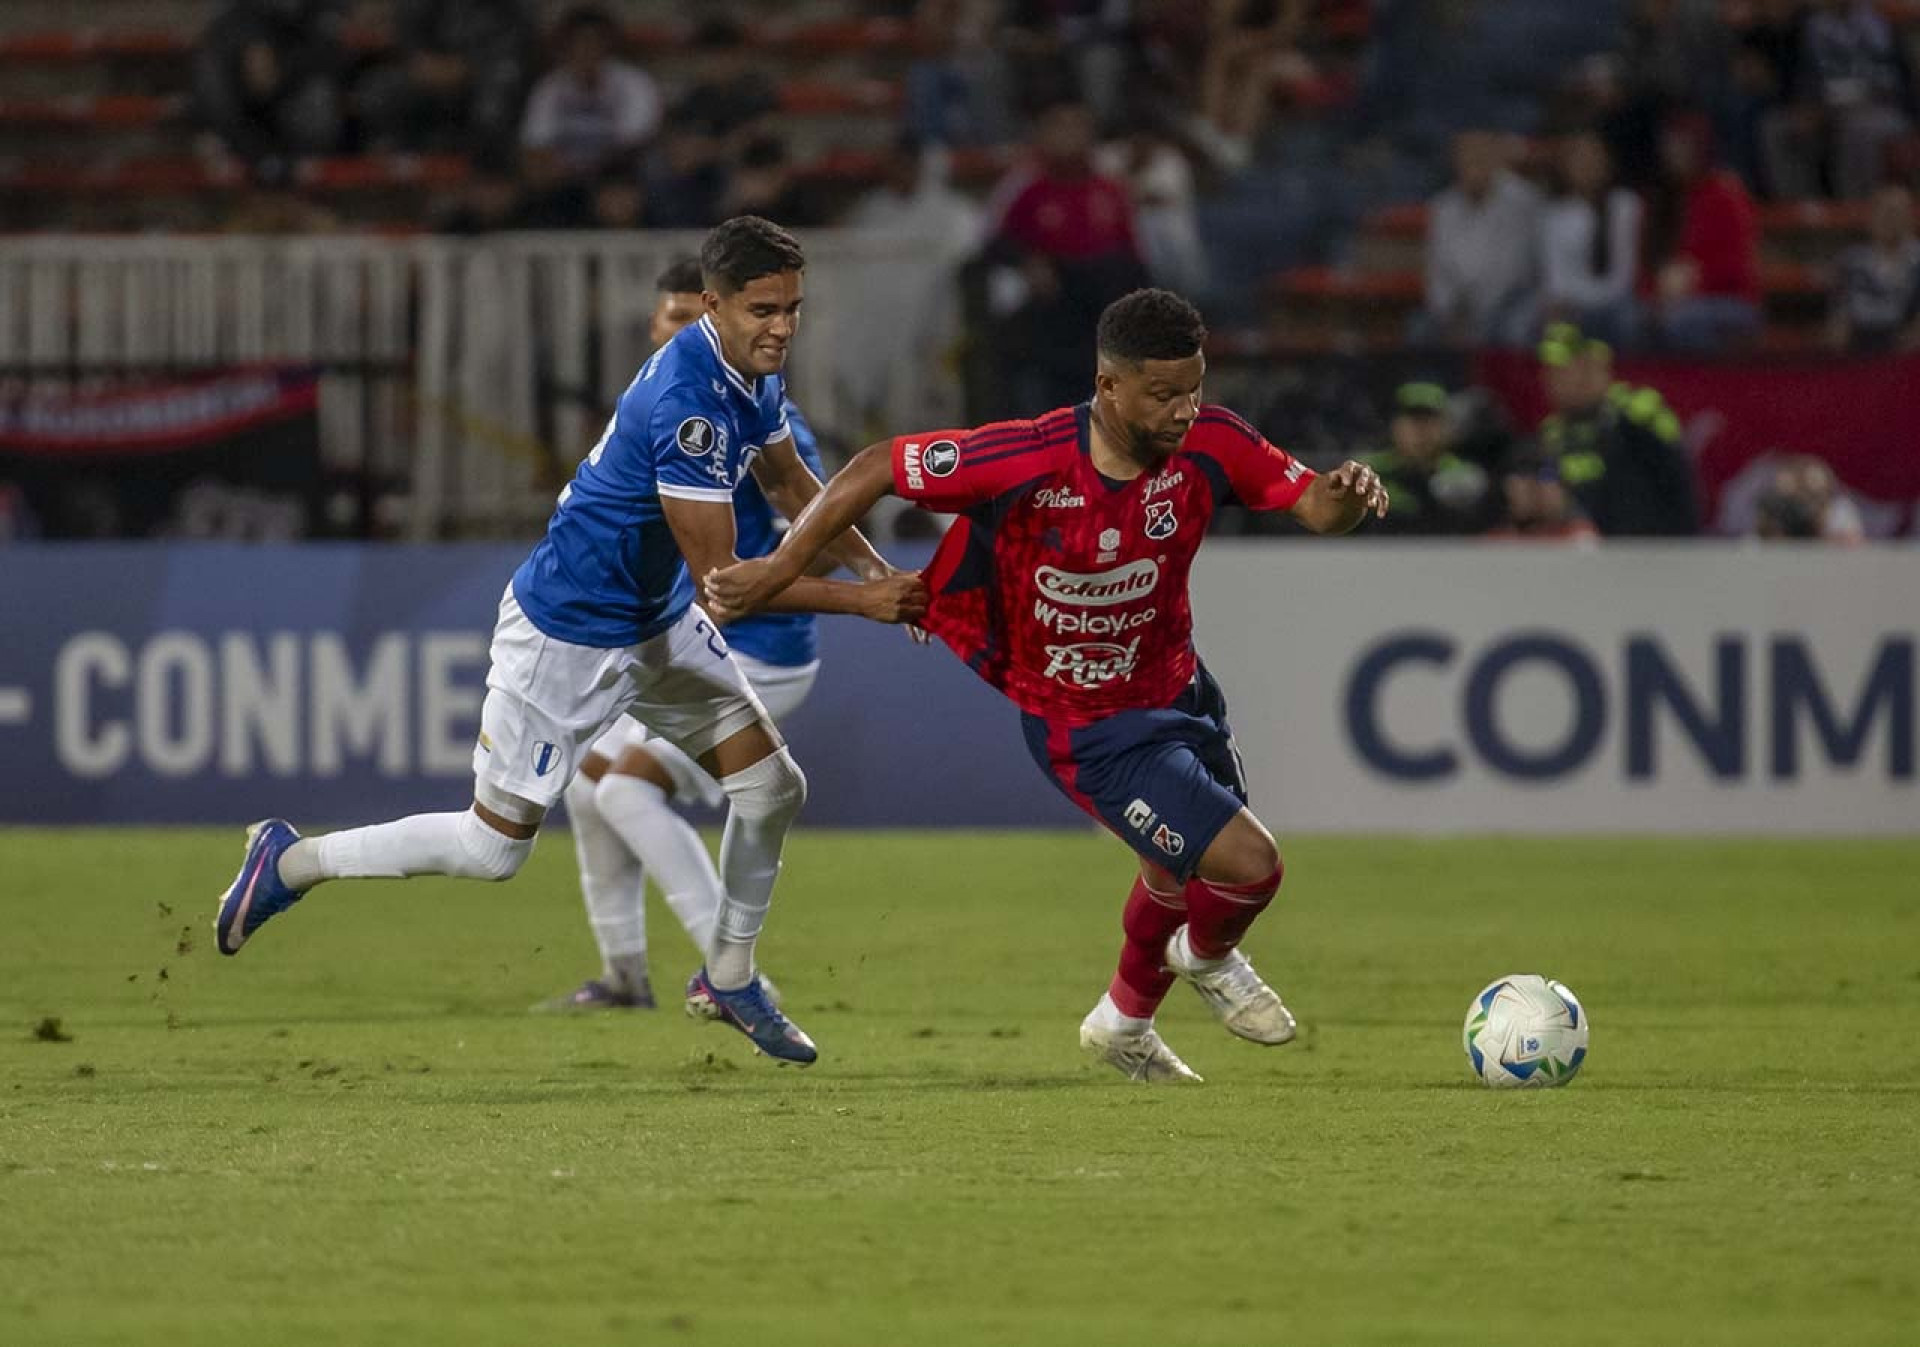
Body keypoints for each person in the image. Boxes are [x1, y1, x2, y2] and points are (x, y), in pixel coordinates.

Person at [211, 218, 929, 1068]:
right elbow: (728, 584)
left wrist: (885, 569)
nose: (782, 327)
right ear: (714, 305)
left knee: (772, 788)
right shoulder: (689, 404)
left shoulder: (748, 372)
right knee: (491, 849)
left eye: (793, 309)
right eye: (764, 309)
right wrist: (865, 599)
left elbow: (791, 483)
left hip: (653, 622)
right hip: (569, 633)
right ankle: (292, 860)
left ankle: (729, 977)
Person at [705, 288, 1390, 1083]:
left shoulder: (1215, 440)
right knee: (1248, 865)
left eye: (1193, 389)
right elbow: (873, 468)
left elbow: (1313, 505)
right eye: (1163, 394)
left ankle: (1122, 1023)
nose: (1182, 411)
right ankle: (1208, 959)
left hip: (1179, 688)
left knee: (1172, 872)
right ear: (1109, 387)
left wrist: (1346, 494)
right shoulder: (1025, 457)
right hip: (1085, 728)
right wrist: (791, 569)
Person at [541, 259, 859, 1011]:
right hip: (686, 634)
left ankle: (735, 976)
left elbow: (797, 543)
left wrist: (869, 587)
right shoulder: (662, 404)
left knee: (624, 788)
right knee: (588, 782)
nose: (685, 332)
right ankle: (624, 973)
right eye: (672, 318)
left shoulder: (762, 421)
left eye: (696, 317)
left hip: (765, 649)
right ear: (656, 327)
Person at [1536, 322, 1700, 536]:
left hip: (1645, 553)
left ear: (1594, 369)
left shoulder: (1638, 413)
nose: (1550, 379)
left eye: (1562, 370)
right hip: (1580, 554)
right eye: (1550, 371)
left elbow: (1677, 485)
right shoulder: (1552, 432)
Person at [1359, 382, 1497, 536]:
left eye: (1430, 421)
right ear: (1395, 426)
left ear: (1446, 427)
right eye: (1413, 422)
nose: (1421, 431)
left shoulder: (1466, 477)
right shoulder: (1368, 471)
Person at [1826, 183, 1920, 352]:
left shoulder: (1917, 262)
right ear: (1871, 217)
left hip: (1905, 355)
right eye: (1883, 212)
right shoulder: (1851, 261)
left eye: (1895, 213)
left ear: (1910, 217)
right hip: (1859, 349)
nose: (1889, 221)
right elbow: (1839, 316)